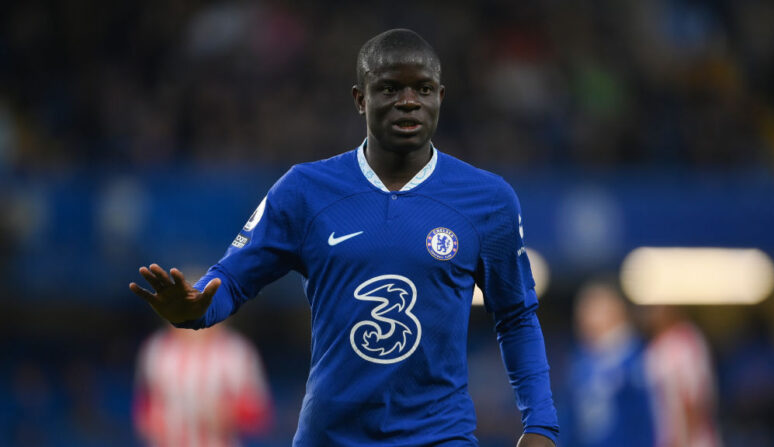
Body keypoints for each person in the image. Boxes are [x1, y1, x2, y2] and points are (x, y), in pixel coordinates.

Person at [130, 29, 558, 446]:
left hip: (440, 436)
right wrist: (194, 309)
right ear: (360, 98)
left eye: (423, 89)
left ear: (440, 97)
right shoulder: (303, 191)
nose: (408, 102)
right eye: (390, 88)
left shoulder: (488, 200)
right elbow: (232, 279)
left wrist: (541, 424)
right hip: (331, 437)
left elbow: (516, 316)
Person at [133, 323, 274, 447]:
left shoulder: (237, 351)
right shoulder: (156, 349)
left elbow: (260, 413)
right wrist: (158, 423)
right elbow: (143, 408)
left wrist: (228, 415)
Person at [558, 280, 655, 447]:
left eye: (590, 311)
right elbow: (571, 418)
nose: (582, 319)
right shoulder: (581, 360)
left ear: (615, 312)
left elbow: (648, 421)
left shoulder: (639, 358)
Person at [640, 305, 722, 447]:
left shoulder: (685, 341)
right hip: (665, 435)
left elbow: (691, 397)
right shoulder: (655, 344)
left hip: (691, 438)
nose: (651, 314)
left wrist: (686, 439)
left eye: (656, 309)